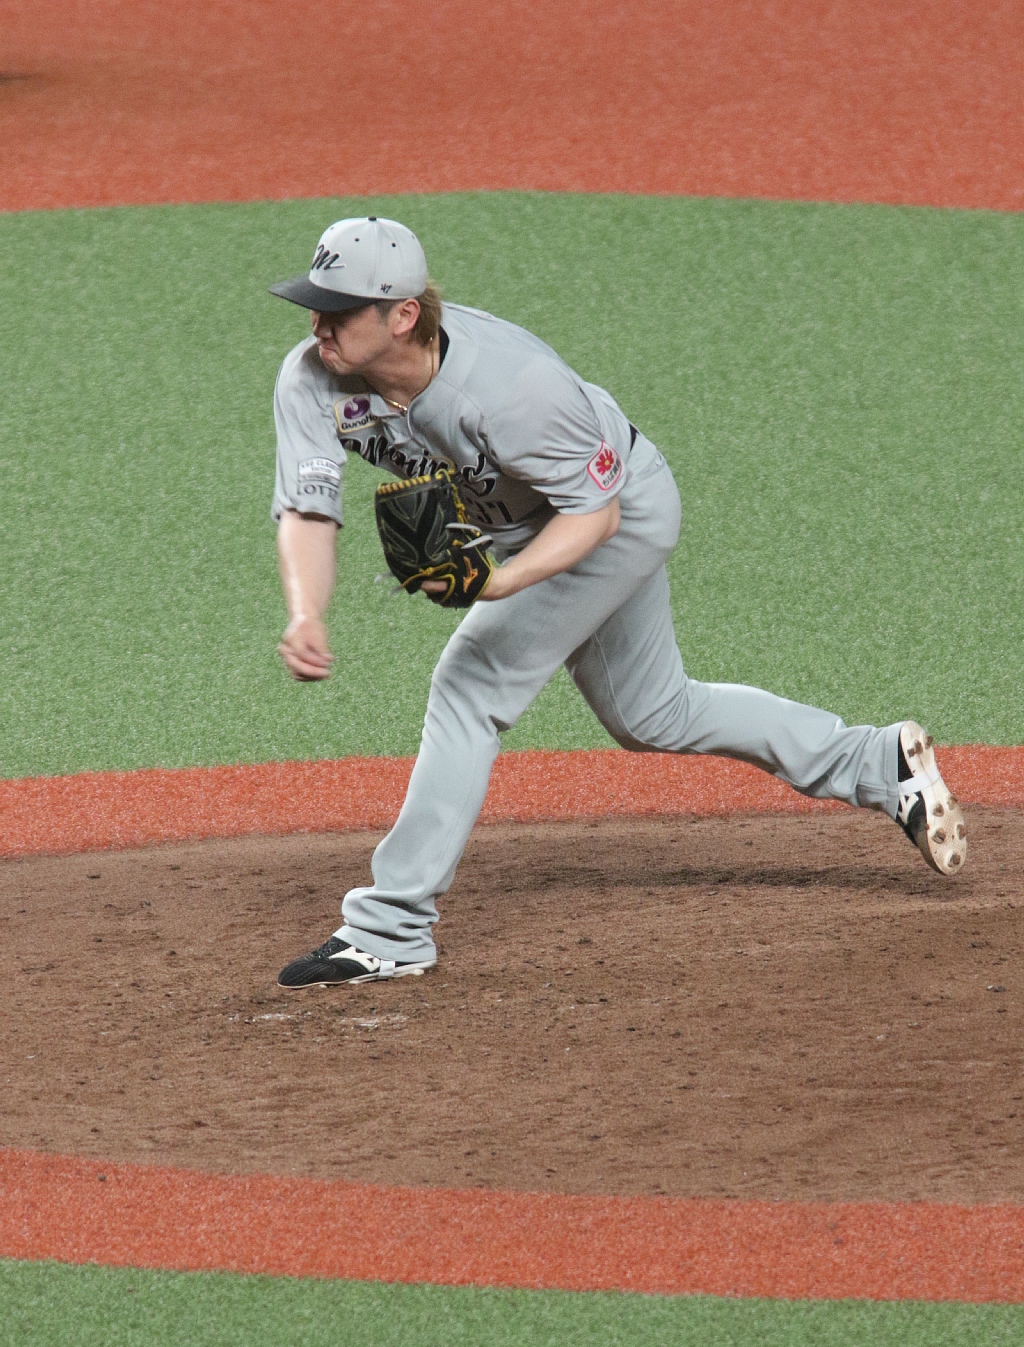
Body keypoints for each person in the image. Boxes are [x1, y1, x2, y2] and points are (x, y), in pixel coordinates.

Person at [268, 215, 967, 988]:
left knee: (470, 683)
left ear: (403, 315)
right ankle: (877, 763)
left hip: (616, 510)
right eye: (315, 303)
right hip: (536, 524)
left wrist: (499, 584)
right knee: (653, 713)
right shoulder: (310, 379)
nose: (318, 323)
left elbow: (594, 517)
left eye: (339, 310)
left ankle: (391, 927)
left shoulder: (513, 388)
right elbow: (307, 510)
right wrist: (306, 613)